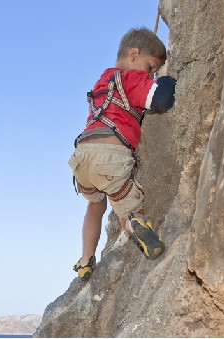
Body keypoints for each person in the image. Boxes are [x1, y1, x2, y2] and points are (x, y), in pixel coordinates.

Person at [69, 28, 176, 282]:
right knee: (127, 206)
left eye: (154, 71)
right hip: (111, 157)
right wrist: (165, 76)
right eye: (150, 67)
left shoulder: (103, 80)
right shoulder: (131, 79)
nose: (150, 74)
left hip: (82, 158)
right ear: (134, 54)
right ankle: (134, 224)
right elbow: (162, 99)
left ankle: (85, 261)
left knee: (95, 204)